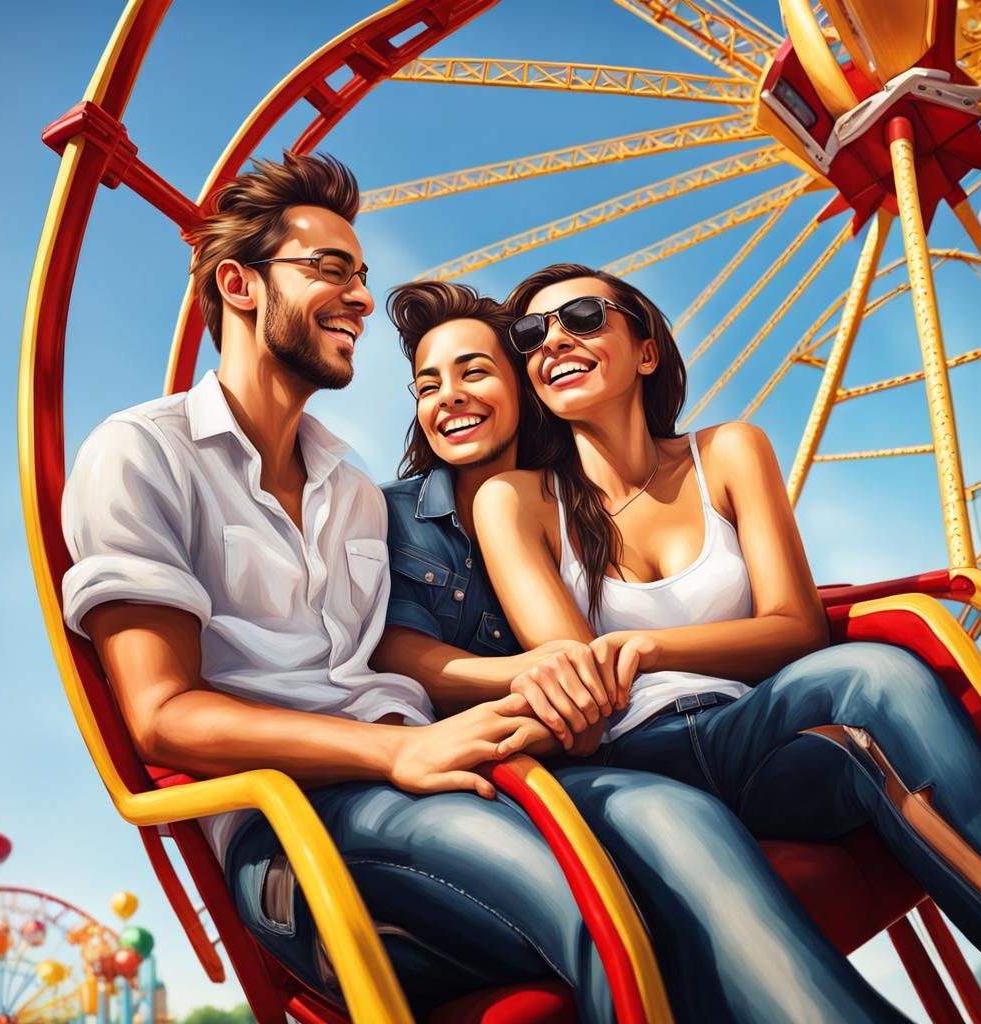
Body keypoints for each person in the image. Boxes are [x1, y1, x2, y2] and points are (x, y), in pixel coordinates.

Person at [60, 154, 614, 1021]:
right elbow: (162, 713)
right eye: (329, 269)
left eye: (361, 274)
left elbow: (390, 655)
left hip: (421, 774)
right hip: (296, 820)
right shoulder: (139, 454)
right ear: (240, 285)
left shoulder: (355, 489)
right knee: (595, 908)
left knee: (648, 847)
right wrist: (394, 750)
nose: (360, 295)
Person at [371, 279, 939, 1022]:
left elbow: (784, 628)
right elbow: (406, 652)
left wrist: (630, 649)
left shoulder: (701, 458)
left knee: (879, 673)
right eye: (427, 384)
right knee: (680, 815)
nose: (450, 396)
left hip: (729, 724)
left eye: (477, 370)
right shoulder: (439, 511)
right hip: (584, 759)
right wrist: (535, 673)